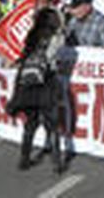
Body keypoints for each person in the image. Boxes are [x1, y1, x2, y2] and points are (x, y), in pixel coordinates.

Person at [7, 9, 64, 174]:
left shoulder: (29, 36)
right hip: (47, 81)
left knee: (30, 123)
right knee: (51, 124)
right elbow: (54, 56)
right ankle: (57, 162)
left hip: (27, 82)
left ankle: (24, 158)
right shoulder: (55, 38)